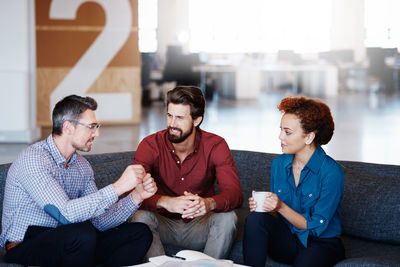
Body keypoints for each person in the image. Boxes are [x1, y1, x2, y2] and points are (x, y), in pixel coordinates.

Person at [0, 95, 157, 266]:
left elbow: (100, 221)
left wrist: (136, 197)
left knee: (139, 233)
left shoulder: (82, 166)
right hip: (25, 245)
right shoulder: (33, 159)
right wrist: (118, 187)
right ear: (68, 127)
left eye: (97, 127)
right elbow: (65, 214)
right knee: (82, 233)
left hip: (72, 242)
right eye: (92, 127)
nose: (97, 133)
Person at [129, 86, 243, 259]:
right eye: (169, 115)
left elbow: (235, 194)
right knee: (139, 217)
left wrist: (208, 204)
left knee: (228, 219)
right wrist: (165, 202)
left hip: (199, 225)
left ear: (197, 120)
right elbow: (132, 194)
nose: (172, 124)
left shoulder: (215, 145)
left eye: (180, 118)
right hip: (162, 222)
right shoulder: (150, 144)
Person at [243, 96, 345, 267]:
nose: (280, 136)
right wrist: (267, 208)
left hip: (320, 243)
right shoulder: (279, 164)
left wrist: (280, 206)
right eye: (281, 130)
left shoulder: (332, 172)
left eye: (287, 132)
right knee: (255, 219)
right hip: (289, 239)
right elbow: (277, 216)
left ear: (309, 137)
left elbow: (315, 227)